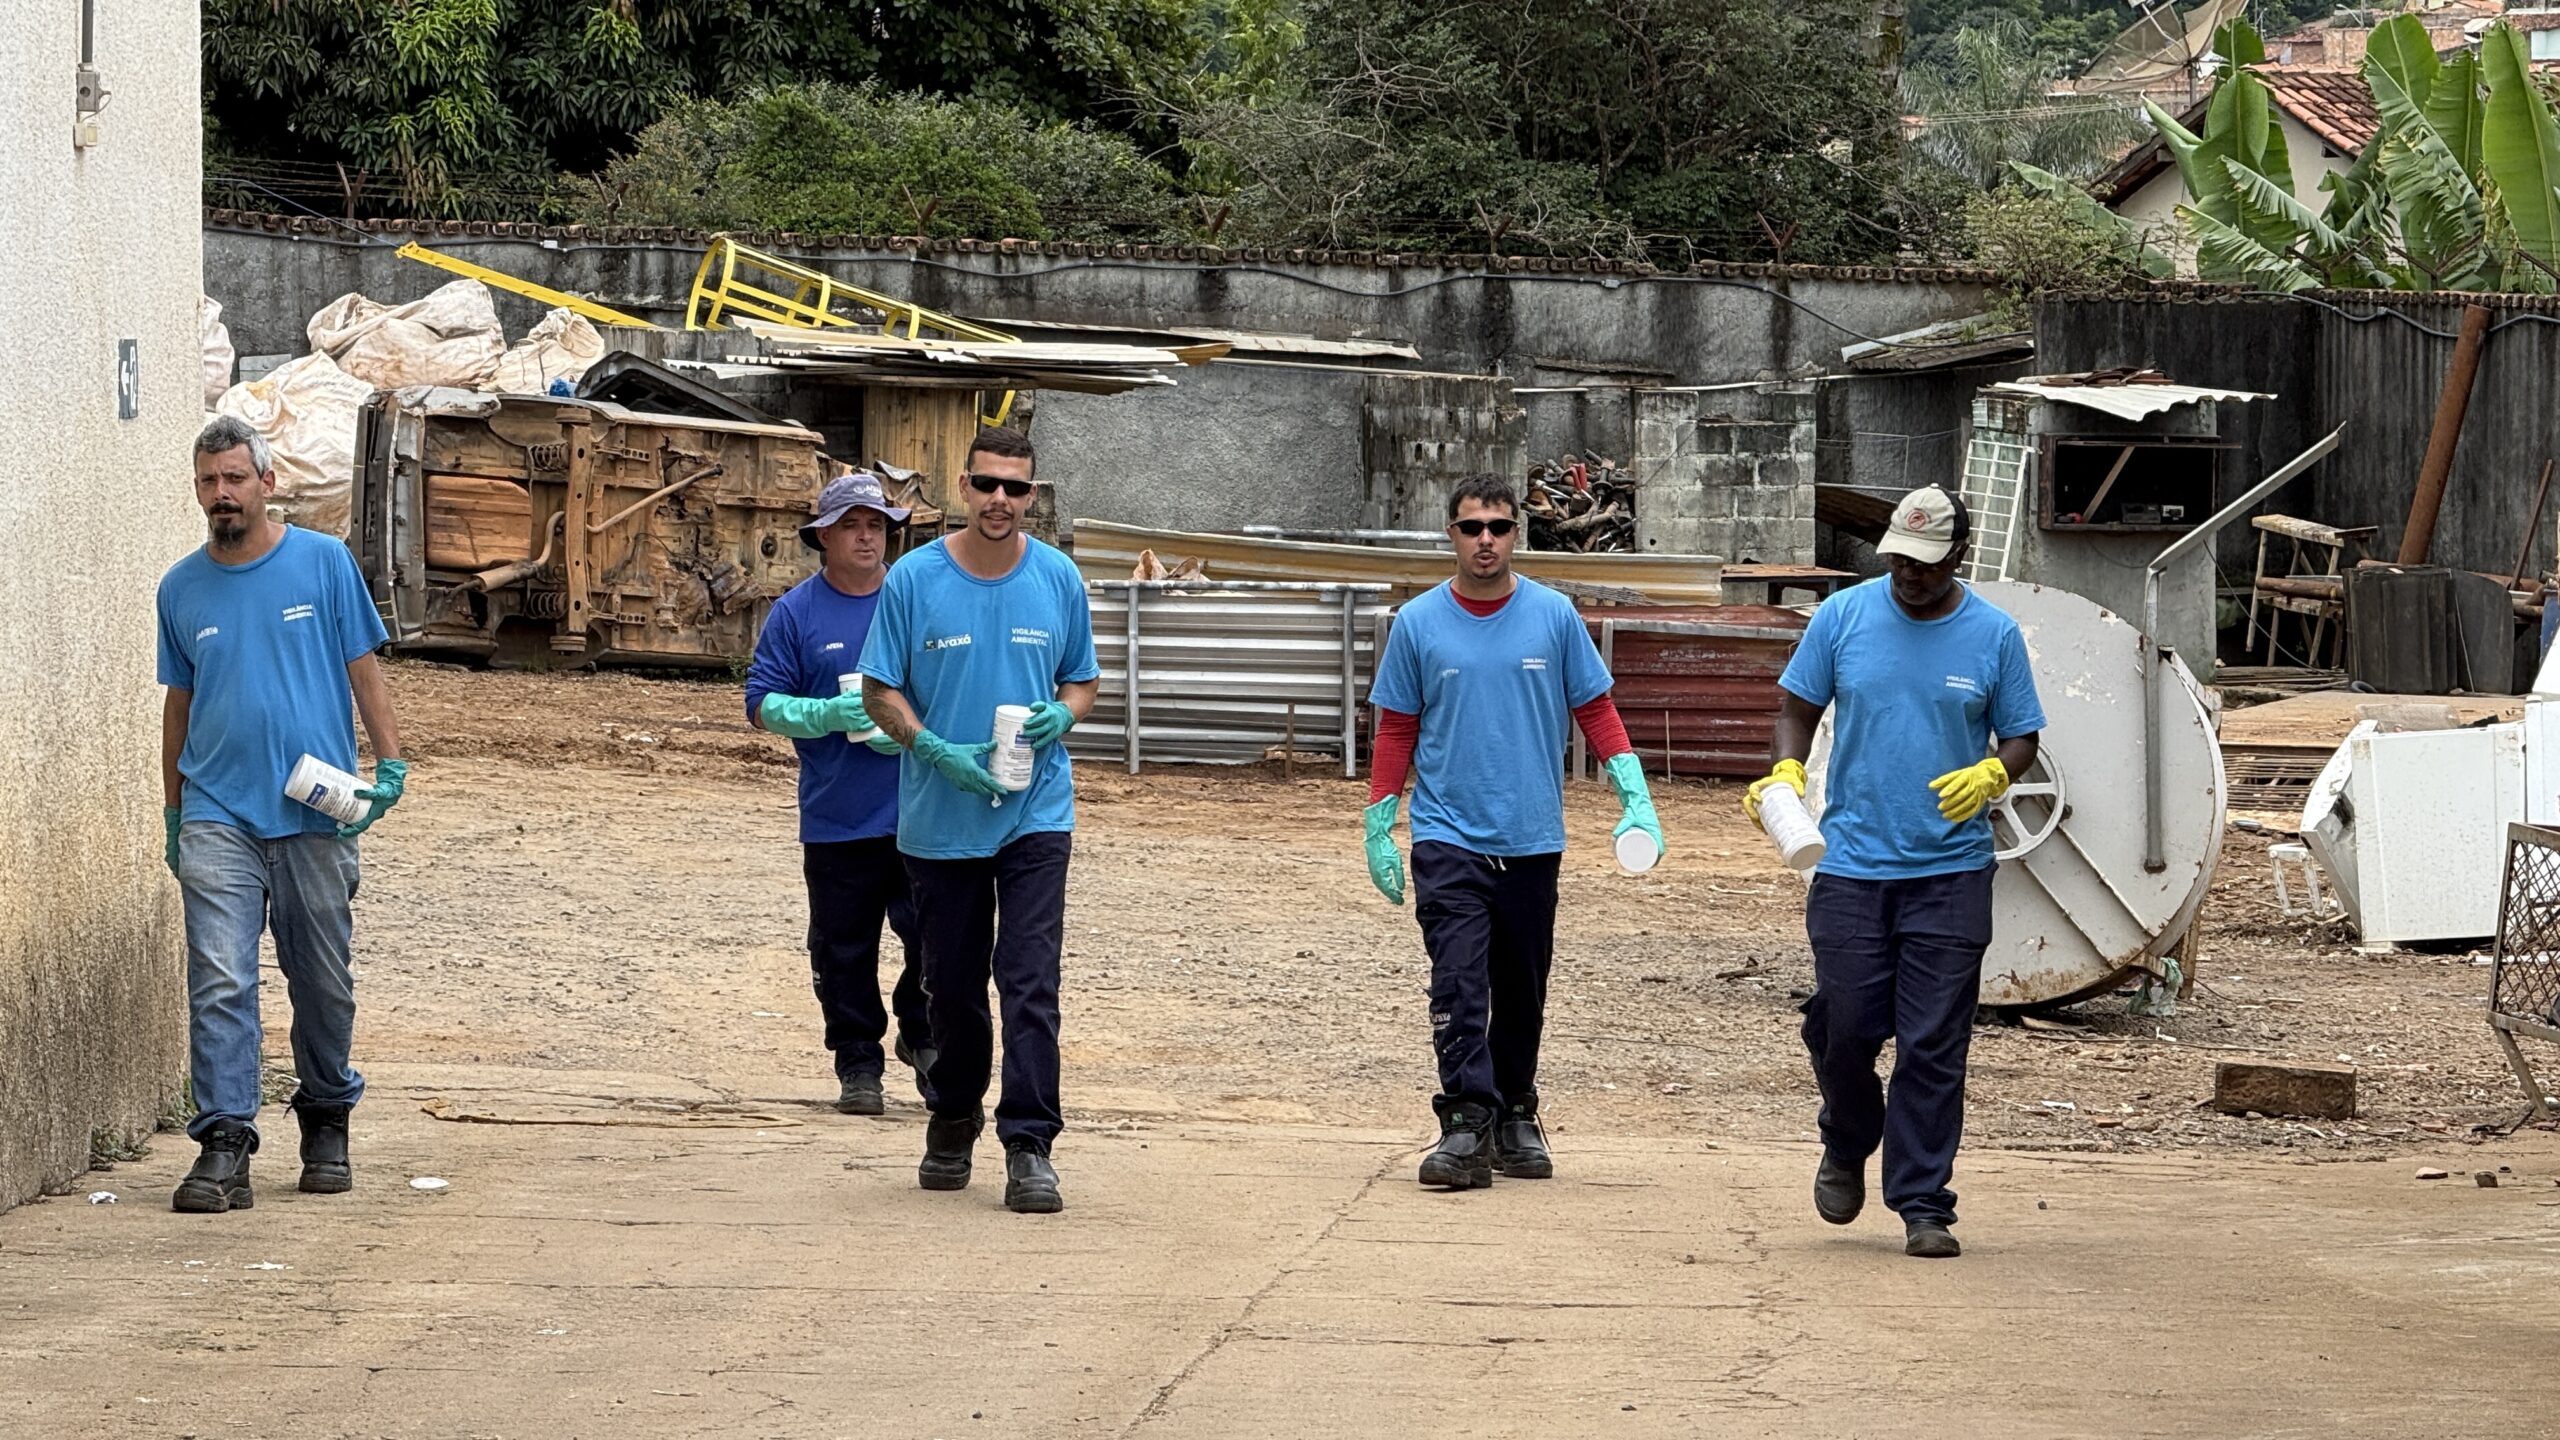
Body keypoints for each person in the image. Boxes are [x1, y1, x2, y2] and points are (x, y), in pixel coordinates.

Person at [1749, 484, 2045, 1259]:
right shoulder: (1844, 618)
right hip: (1851, 863)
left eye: (1926, 563)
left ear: (1958, 556)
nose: (1909, 575)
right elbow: (1797, 707)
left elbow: (2022, 736)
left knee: (1933, 1042)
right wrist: (1784, 772)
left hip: (1950, 871)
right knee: (1845, 1025)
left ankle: (1923, 1201)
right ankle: (1848, 1136)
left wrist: (1995, 775)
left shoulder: (1994, 636)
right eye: (1898, 560)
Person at [1362, 473, 1665, 1190]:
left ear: (1515, 534)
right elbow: (1398, 726)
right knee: (1460, 982)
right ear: (1452, 535)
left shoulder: (1553, 617)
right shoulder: (1419, 623)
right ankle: (1466, 1122)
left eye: (1498, 527)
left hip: (1531, 836)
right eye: (1472, 528)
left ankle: (1516, 1110)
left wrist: (1634, 792)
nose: (1486, 540)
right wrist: (1381, 820)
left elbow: (1594, 708)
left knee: (1521, 987)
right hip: (1448, 834)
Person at [157, 415, 409, 1214]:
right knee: (221, 978)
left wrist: (390, 763)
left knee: (322, 983)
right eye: (208, 481)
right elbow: (179, 703)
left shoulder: (323, 564)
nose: (221, 494)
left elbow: (363, 671)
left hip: (313, 811)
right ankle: (224, 1141)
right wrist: (174, 810)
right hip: (216, 811)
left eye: (234, 478)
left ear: (267, 483)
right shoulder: (180, 588)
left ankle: (327, 1112)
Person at [859, 426, 1099, 1215]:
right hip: (940, 816)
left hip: (1036, 812)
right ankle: (954, 1114)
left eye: (1017, 488)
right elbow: (878, 691)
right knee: (952, 987)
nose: (1001, 500)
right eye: (988, 484)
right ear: (964, 487)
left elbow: (1080, 683)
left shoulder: (1058, 578)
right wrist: (932, 749)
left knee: (1029, 981)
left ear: (1033, 495)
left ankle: (1029, 1144)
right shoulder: (914, 580)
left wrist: (1061, 719)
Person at [745, 470, 935, 1116]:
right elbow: (761, 704)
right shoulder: (796, 613)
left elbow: (948, 686)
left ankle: (923, 1034)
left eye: (876, 524)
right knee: (841, 947)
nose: (865, 536)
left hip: (920, 812)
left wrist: (909, 726)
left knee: (938, 937)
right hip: (836, 818)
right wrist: (825, 715)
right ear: (822, 535)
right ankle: (858, 1063)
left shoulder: (914, 601)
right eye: (851, 525)